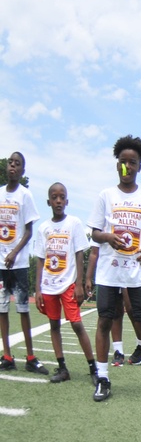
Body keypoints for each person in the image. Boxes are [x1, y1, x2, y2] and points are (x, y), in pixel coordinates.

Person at [87, 134, 141, 402]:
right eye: (123, 162)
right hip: (109, 270)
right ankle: (103, 378)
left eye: (133, 162)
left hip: (137, 272)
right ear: (117, 164)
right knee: (104, 321)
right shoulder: (106, 195)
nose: (127, 166)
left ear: (139, 166)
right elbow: (93, 232)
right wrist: (107, 237)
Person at [33, 183, 98, 384]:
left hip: (68, 283)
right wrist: (38, 289)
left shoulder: (74, 223)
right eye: (54, 197)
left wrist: (79, 283)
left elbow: (80, 253)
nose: (58, 200)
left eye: (62, 197)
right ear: (48, 202)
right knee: (54, 325)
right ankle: (62, 368)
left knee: (77, 324)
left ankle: (93, 368)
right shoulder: (43, 228)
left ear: (67, 201)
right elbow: (40, 260)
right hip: (49, 285)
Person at [0, 152, 49, 374]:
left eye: (17, 163)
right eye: (10, 162)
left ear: (22, 171)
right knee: (2, 310)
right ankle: (7, 356)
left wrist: (14, 253)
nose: (12, 166)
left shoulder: (25, 195)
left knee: (22, 310)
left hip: (18, 264)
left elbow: (29, 231)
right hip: (1, 266)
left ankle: (30, 357)